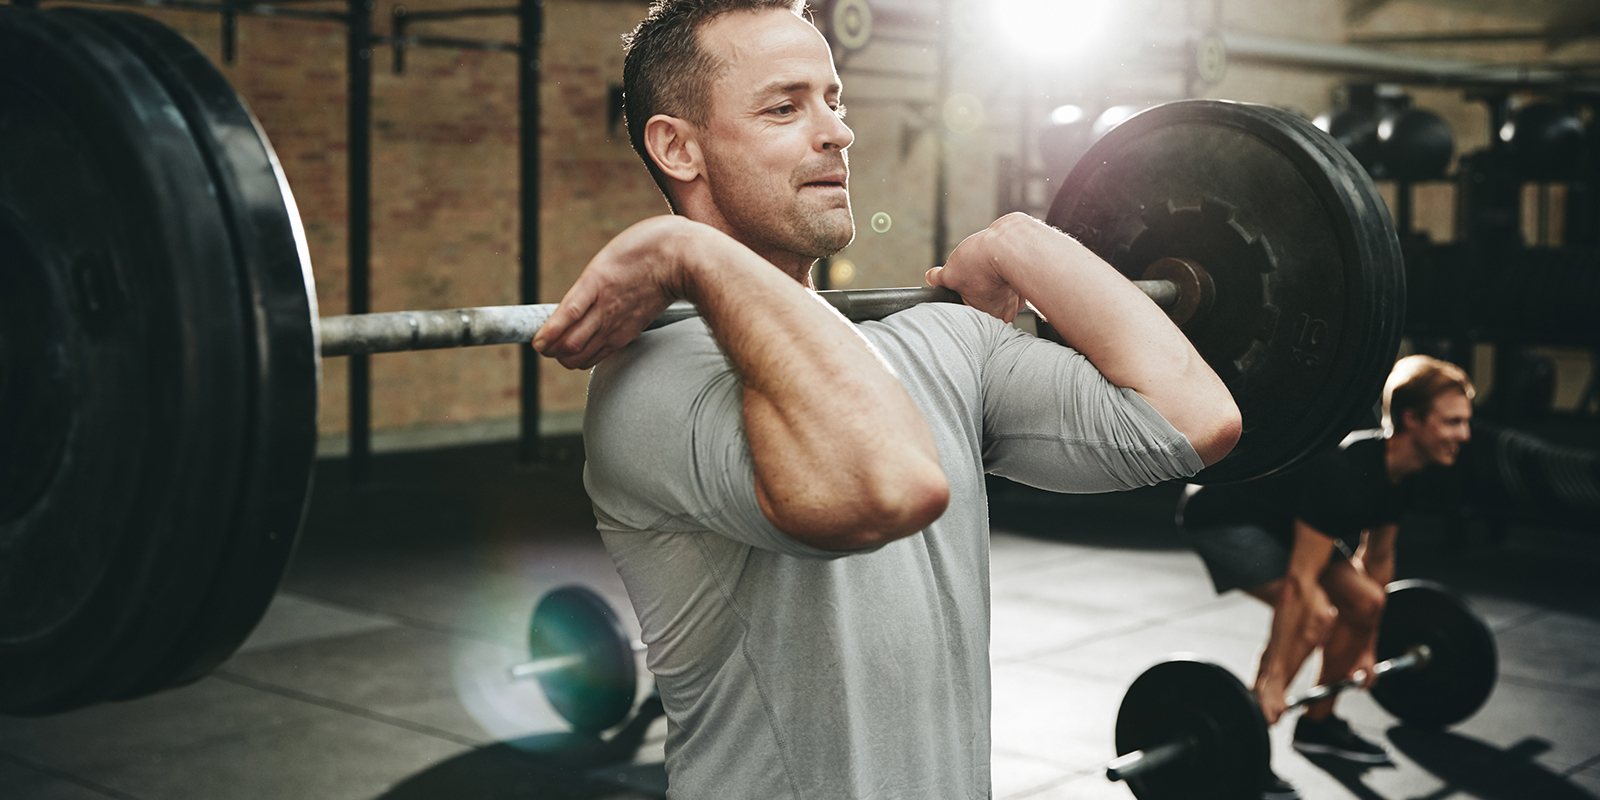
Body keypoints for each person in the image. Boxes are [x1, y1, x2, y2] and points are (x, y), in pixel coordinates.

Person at [532, 1, 1241, 796]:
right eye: (784, 106)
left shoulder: (937, 341)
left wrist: (1021, 241)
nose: (838, 132)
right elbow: (884, 489)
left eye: (834, 100)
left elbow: (1194, 420)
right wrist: (688, 250)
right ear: (677, 148)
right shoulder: (654, 384)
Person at [1180, 354, 1475, 800]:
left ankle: (1318, 724)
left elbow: (1378, 560)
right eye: (1453, 422)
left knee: (1367, 603)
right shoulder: (1343, 474)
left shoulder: (1403, 469)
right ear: (1413, 420)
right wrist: (1276, 678)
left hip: (1285, 516)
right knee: (1315, 613)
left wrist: (1368, 647)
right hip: (1224, 512)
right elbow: (1301, 582)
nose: (1464, 435)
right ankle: (1246, 746)